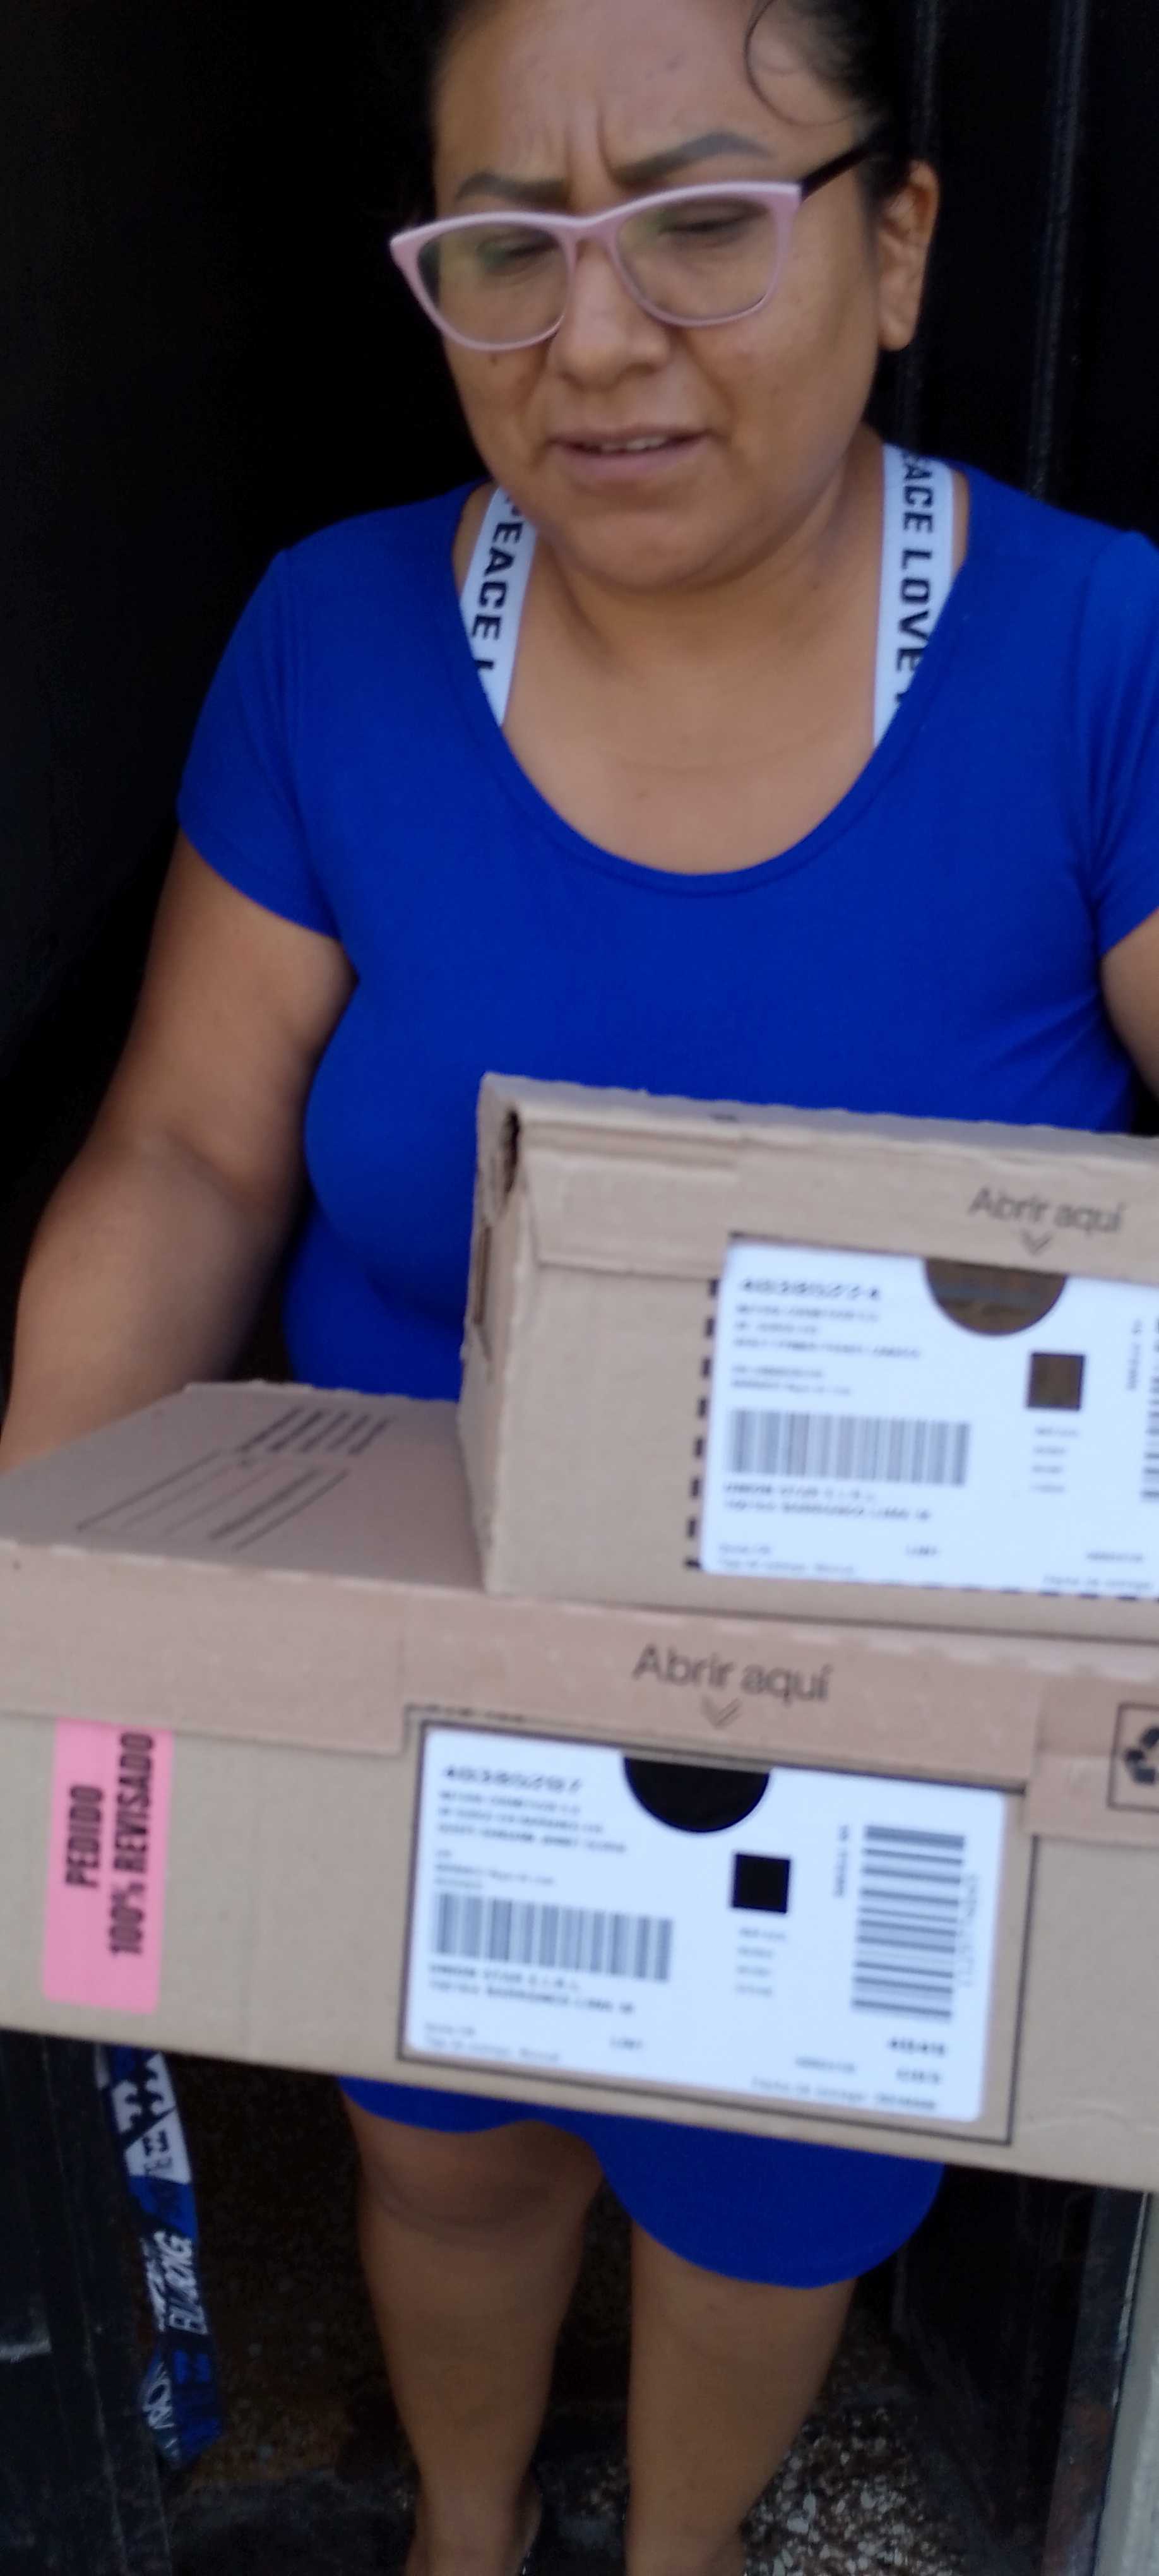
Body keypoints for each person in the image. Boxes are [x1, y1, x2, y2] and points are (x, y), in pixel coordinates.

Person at [6, 0, 1159, 2567]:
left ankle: (676, 2548)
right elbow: (187, 1153)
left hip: (870, 1713)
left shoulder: (1102, 664)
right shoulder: (333, 639)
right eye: (508, 248)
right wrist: (39, 1621)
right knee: (446, 2152)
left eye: (703, 220)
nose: (597, 335)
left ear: (898, 246)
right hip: (431, 1678)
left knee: (767, 2207)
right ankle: (465, 2524)